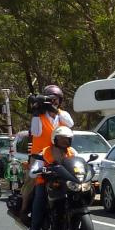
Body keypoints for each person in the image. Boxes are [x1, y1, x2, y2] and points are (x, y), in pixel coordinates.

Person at [21, 84, 74, 217]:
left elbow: (70, 124)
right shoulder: (39, 117)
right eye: (50, 99)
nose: (53, 101)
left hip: (60, 154)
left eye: (56, 99)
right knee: (32, 183)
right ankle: (24, 209)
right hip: (40, 156)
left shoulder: (63, 115)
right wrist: (36, 113)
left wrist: (55, 111)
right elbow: (36, 132)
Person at [26, 127, 76, 230]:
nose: (65, 141)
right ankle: (34, 228)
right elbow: (34, 170)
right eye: (62, 139)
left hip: (66, 181)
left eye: (67, 139)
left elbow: (78, 163)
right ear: (55, 139)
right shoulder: (45, 151)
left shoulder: (72, 151)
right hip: (46, 181)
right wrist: (38, 170)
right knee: (40, 199)